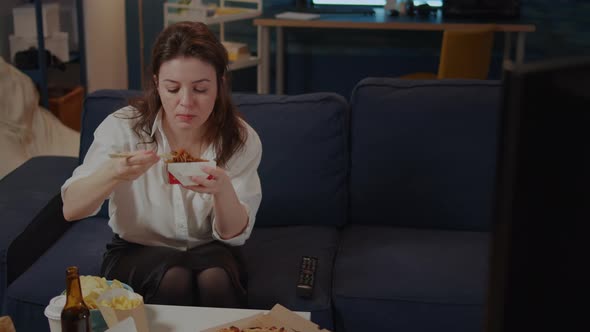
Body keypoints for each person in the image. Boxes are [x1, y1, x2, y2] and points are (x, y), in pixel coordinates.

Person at [61, 21, 262, 308]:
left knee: (215, 278)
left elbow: (232, 234)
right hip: (137, 250)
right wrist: (114, 172)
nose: (186, 103)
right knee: (174, 276)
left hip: (210, 249)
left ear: (220, 84)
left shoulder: (240, 138)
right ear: (156, 83)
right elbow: (71, 209)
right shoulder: (124, 128)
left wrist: (222, 190)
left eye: (200, 89)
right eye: (172, 88)